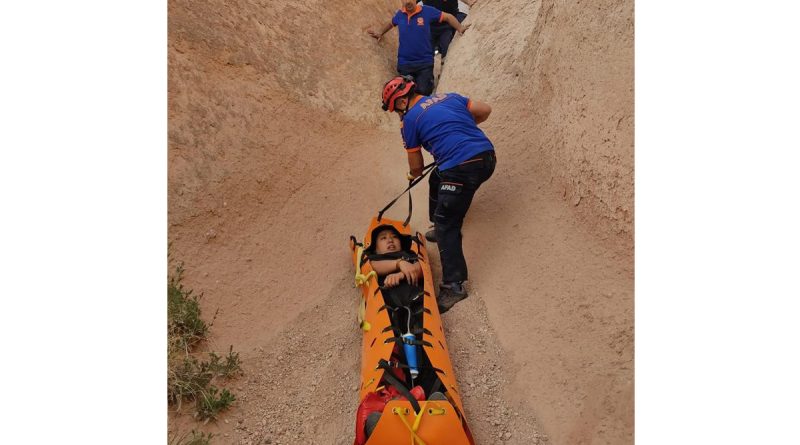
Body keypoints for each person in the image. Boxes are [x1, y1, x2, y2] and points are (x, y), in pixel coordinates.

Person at [380, 75, 496, 313]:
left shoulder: (410, 120)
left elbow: (416, 166)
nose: (398, 115)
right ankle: (438, 223)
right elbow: (485, 110)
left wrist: (413, 175)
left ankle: (454, 286)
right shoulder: (449, 97)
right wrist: (460, 131)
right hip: (487, 158)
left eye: (395, 110)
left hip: (461, 168)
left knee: (447, 222)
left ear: (401, 102)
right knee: (437, 177)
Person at [367, 0, 469, 96]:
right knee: (406, 93)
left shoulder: (427, 11)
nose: (408, 2)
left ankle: (429, 83)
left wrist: (460, 28)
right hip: (405, 64)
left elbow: (448, 17)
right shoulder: (400, 15)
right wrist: (380, 33)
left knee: (425, 91)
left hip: (424, 64)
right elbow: (391, 23)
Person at [415, 0, 471, 64]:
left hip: (448, 23)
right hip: (431, 26)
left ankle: (444, 65)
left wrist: (471, 3)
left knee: (447, 49)